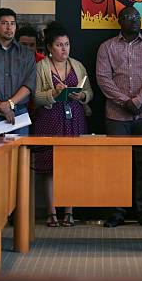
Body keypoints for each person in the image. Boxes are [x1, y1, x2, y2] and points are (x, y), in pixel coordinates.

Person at [96, 6, 142, 228]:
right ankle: (117, 211)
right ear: (119, 21)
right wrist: (125, 101)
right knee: (117, 165)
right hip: (117, 114)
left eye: (137, 17)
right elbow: (103, 79)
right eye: (128, 17)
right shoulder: (106, 47)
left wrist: (139, 101)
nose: (134, 20)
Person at [33, 21, 93, 227]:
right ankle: (51, 213)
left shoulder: (77, 65)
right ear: (49, 47)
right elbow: (35, 97)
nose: (64, 49)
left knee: (73, 166)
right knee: (50, 167)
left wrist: (81, 95)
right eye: (59, 45)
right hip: (50, 119)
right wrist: (54, 93)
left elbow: (90, 93)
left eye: (67, 44)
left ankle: (69, 212)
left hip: (74, 118)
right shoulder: (41, 67)